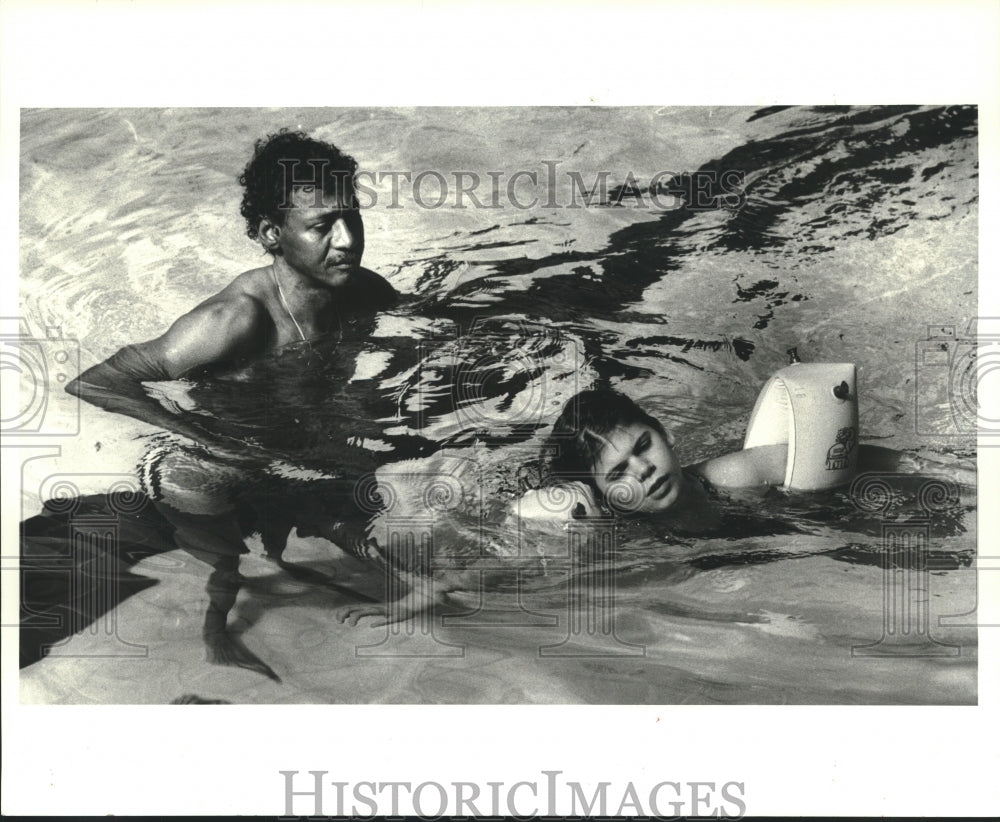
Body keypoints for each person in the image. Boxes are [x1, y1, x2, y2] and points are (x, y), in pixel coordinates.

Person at [66, 130, 398, 680]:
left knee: (366, 526)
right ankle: (218, 635)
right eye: (321, 226)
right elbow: (97, 382)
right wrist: (208, 441)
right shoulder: (235, 318)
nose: (345, 241)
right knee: (227, 568)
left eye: (352, 218)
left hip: (285, 451)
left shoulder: (364, 291)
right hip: (204, 468)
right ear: (272, 233)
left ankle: (292, 554)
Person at [515, 388, 940, 522]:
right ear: (601, 494)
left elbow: (832, 456)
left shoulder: (726, 476)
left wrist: (929, 467)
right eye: (620, 472)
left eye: (645, 446)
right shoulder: (607, 532)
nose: (644, 469)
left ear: (664, 434)